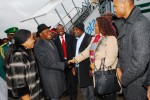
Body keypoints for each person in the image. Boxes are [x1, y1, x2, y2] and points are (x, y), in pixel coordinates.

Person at [69, 16, 118, 100]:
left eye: (96, 25)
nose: (94, 27)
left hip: (107, 75)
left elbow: (111, 58)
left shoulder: (111, 39)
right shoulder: (95, 38)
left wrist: (95, 65)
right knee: (100, 96)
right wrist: (75, 59)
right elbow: (87, 52)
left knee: (108, 97)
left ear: (102, 26)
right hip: (98, 75)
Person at [113, 0, 150, 100]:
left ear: (124, 4)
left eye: (115, 6)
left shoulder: (140, 24)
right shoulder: (127, 23)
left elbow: (140, 63)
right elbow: (122, 51)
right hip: (130, 83)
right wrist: (118, 68)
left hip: (136, 86)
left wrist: (123, 78)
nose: (114, 9)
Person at [5, 29, 44, 100]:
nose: (34, 40)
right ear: (24, 41)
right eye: (32, 39)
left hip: (34, 95)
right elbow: (20, 87)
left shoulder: (27, 52)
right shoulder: (18, 57)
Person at [34, 24, 68, 100]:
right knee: (54, 97)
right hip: (50, 79)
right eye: (46, 31)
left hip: (58, 75)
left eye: (49, 30)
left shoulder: (51, 41)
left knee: (58, 96)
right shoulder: (38, 46)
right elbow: (45, 62)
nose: (49, 32)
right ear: (40, 34)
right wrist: (63, 65)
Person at [72, 23, 94, 100]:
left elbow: (92, 54)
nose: (75, 31)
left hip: (87, 68)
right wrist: (73, 66)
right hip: (78, 68)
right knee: (83, 89)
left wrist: (91, 68)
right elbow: (74, 53)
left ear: (81, 29)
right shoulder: (75, 39)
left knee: (91, 90)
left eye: (76, 29)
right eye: (74, 30)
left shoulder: (89, 38)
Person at [54, 24, 75, 100]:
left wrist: (73, 62)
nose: (61, 30)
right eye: (59, 29)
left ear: (64, 29)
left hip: (71, 61)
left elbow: (73, 49)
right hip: (62, 64)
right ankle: (69, 93)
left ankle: (73, 96)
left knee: (72, 81)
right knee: (66, 81)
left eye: (62, 28)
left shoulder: (71, 37)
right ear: (56, 31)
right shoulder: (55, 41)